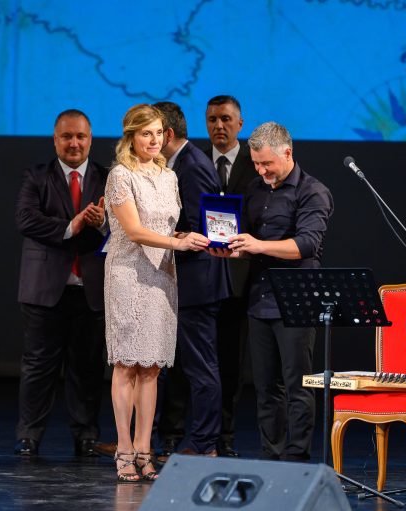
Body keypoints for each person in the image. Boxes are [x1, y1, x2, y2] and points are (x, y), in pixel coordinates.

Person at [210, 122, 333, 461]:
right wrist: (230, 249)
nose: (261, 171)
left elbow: (306, 245)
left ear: (287, 153)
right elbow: (248, 242)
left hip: (297, 300)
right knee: (265, 387)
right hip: (259, 298)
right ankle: (271, 455)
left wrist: (258, 245)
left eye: (267, 163)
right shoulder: (255, 188)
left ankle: (296, 456)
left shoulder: (313, 191)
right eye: (256, 164)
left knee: (298, 384)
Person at [104, 104, 209, 482]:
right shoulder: (120, 175)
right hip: (129, 275)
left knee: (151, 368)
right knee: (126, 364)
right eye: (146, 133)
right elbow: (134, 230)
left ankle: (144, 449)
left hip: (162, 275)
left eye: (159, 133)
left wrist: (186, 237)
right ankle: (123, 449)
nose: (154, 140)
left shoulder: (169, 176)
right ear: (131, 136)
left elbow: (165, 228)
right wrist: (177, 243)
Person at [14, 109, 108, 458]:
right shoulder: (36, 175)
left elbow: (125, 227)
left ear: (90, 139)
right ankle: (29, 436)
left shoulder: (109, 177)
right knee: (38, 367)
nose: (74, 143)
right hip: (43, 290)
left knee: (88, 369)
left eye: (80, 136)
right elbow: (25, 219)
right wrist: (72, 226)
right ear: (55, 140)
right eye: (67, 136)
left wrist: (103, 223)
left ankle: (87, 436)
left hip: (92, 289)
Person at [152, 101, 229, 457]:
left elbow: (205, 231)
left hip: (197, 284)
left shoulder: (193, 166)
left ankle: (204, 443)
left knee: (201, 368)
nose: (147, 140)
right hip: (182, 281)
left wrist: (153, 234)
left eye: (153, 132)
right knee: (179, 368)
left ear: (167, 133)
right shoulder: (180, 162)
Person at [204, 95, 259, 457]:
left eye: (225, 119)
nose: (219, 126)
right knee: (189, 362)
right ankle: (177, 435)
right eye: (212, 119)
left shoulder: (256, 164)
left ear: (240, 124)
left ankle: (225, 435)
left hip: (241, 281)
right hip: (200, 276)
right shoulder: (194, 162)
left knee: (230, 363)